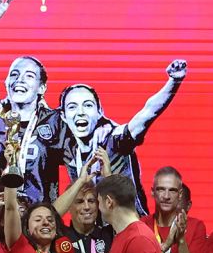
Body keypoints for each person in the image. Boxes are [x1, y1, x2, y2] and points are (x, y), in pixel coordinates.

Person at [57, 59, 187, 215]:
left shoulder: (115, 139)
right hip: (96, 233)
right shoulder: (67, 150)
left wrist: (174, 81)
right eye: (72, 107)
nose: (80, 112)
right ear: (63, 116)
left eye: (88, 105)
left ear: (100, 112)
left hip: (130, 228)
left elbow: (147, 113)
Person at [0, 0, 64, 203]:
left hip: (37, 217)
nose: (19, 80)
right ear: (6, 83)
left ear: (41, 88)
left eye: (29, 76)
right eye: (14, 74)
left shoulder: (55, 121)